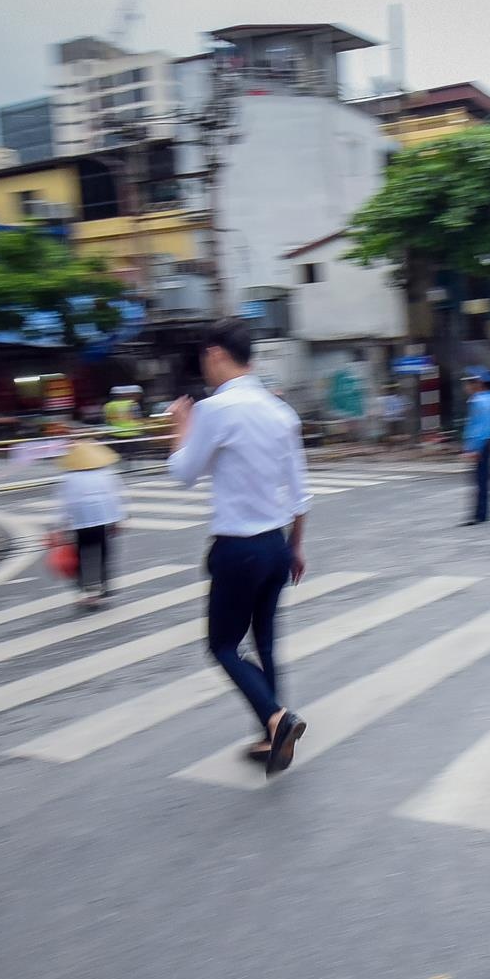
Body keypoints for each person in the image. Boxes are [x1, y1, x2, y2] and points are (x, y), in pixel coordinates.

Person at [167, 319, 313, 777]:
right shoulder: (280, 412)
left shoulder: (216, 410)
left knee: (224, 645)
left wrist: (181, 425)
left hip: (238, 548)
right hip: (275, 546)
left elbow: (182, 473)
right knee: (265, 640)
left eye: (204, 362)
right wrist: (295, 548)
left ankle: (276, 719)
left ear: (215, 354)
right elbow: (299, 493)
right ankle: (272, 736)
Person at [58, 440, 126, 609]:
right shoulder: (107, 474)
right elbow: (117, 497)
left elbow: (65, 503)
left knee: (81, 556)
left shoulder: (70, 477)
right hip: (103, 520)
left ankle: (84, 590)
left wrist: (60, 525)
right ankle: (104, 586)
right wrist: (119, 519)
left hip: (81, 522)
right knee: (104, 554)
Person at [460, 369, 490, 526]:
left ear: (478, 384)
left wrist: (473, 448)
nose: (466, 387)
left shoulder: (478, 400)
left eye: (468, 383)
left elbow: (478, 426)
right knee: (485, 478)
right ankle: (484, 512)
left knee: (478, 479)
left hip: (481, 443)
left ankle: (478, 515)